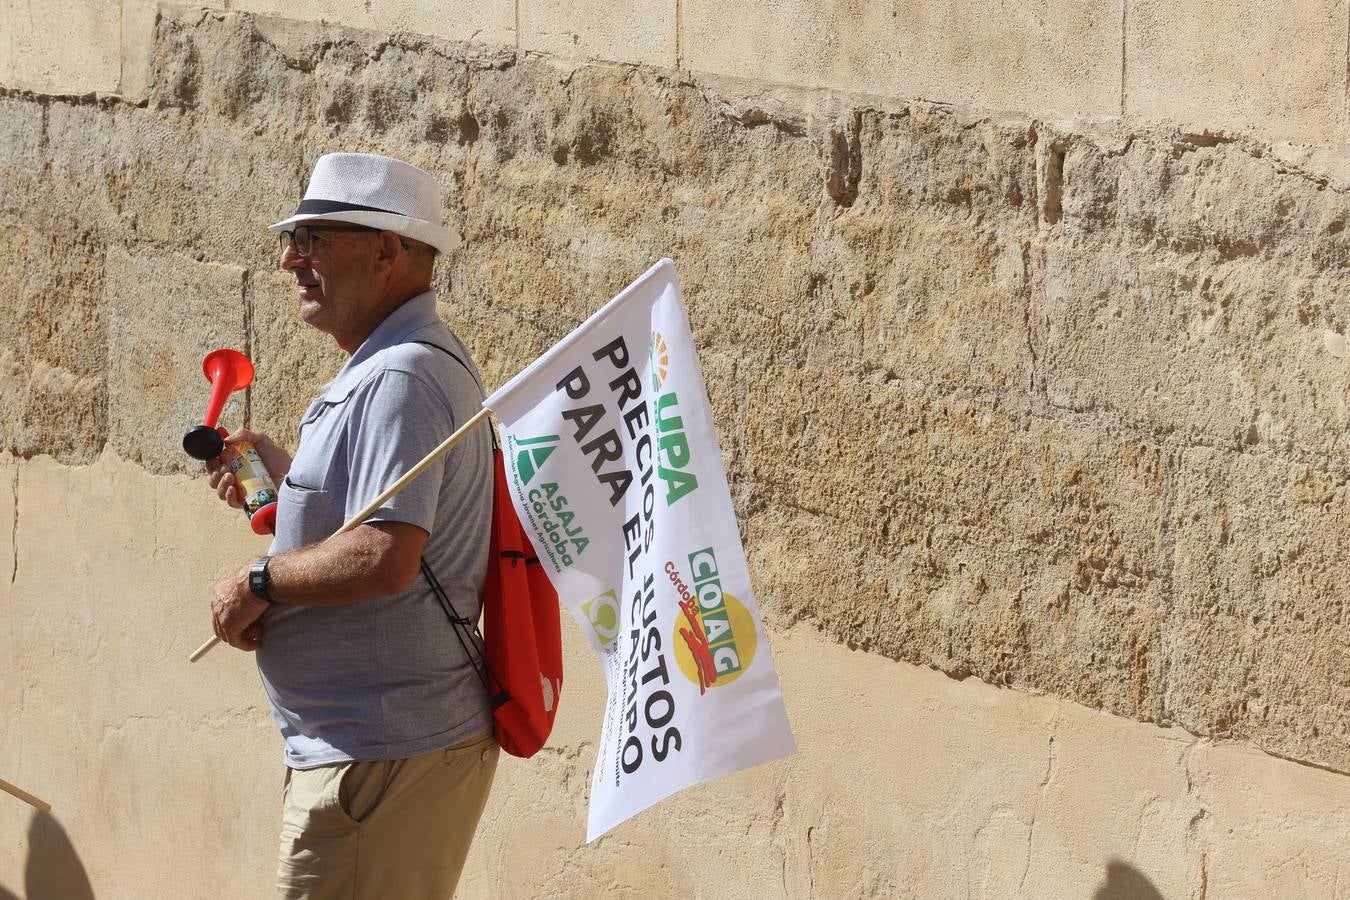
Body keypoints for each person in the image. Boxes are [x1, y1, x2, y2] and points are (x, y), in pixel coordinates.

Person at [204, 152, 497, 899]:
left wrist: (260, 579)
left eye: (311, 240)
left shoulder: (402, 375)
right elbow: (373, 516)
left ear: (385, 250)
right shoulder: (393, 364)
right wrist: (288, 485)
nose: (288, 259)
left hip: (378, 757)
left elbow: (384, 557)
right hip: (372, 756)